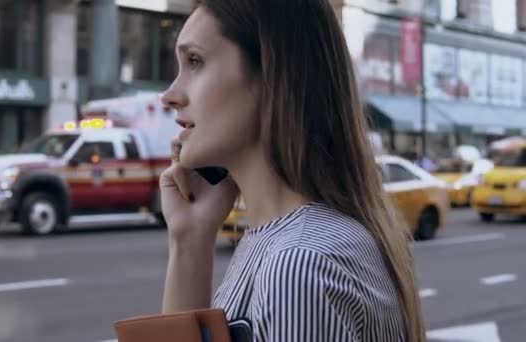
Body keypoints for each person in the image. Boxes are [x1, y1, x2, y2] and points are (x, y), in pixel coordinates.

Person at [158, 1, 425, 341]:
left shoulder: (298, 263)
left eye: (195, 61)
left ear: (272, 73)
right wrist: (189, 238)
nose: (169, 95)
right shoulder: (279, 241)